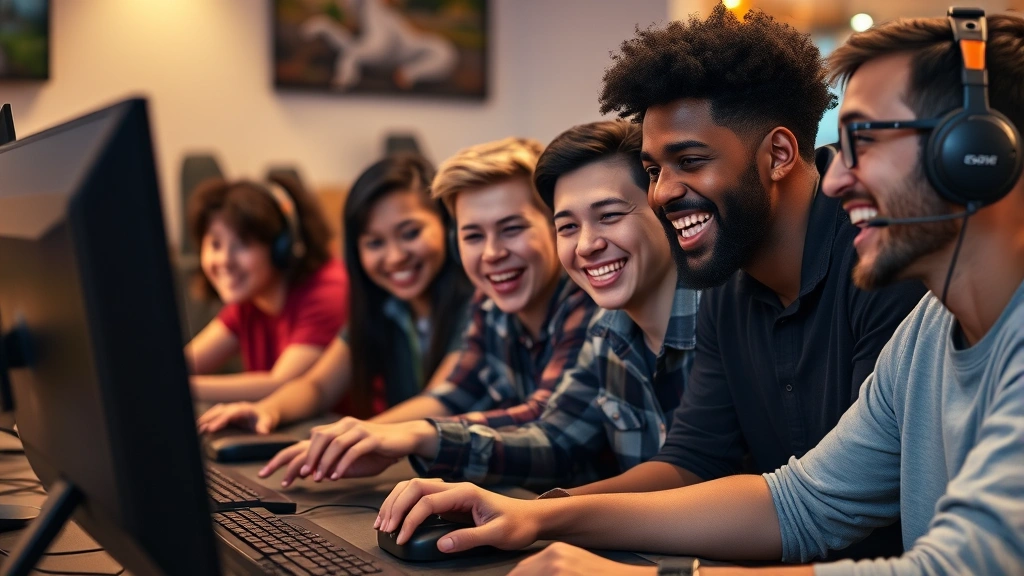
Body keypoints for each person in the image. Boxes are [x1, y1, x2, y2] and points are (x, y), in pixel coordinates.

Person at [376, 8, 1024, 575]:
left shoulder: (893, 287)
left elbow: (956, 565)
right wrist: (540, 516)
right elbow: (802, 500)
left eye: (866, 143)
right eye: (655, 171)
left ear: (974, 154)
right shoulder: (925, 335)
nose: (837, 179)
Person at [256, 137, 599, 487]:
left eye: (512, 228)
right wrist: (369, 436)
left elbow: (550, 429)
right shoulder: (489, 302)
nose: (492, 253)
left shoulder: (588, 303)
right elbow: (452, 396)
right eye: (473, 235)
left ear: (557, 226)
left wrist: (417, 435)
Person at [393, 119, 700, 491]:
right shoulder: (606, 329)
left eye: (609, 216)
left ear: (662, 207)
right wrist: (412, 436)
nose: (587, 245)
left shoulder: (723, 317)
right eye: (568, 226)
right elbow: (556, 437)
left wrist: (538, 514)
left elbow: (708, 482)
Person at [198, 153, 473, 433]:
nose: (395, 257)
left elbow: (440, 401)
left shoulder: (478, 306)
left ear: (449, 226)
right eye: (375, 242)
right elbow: (317, 386)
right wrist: (266, 409)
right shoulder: (382, 305)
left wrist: (358, 434)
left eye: (410, 233)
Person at [185, 174, 348, 403]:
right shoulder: (251, 299)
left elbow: (282, 384)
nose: (224, 260)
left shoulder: (329, 291)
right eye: (215, 244)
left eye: (242, 245)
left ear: (281, 247)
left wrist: (176, 388)